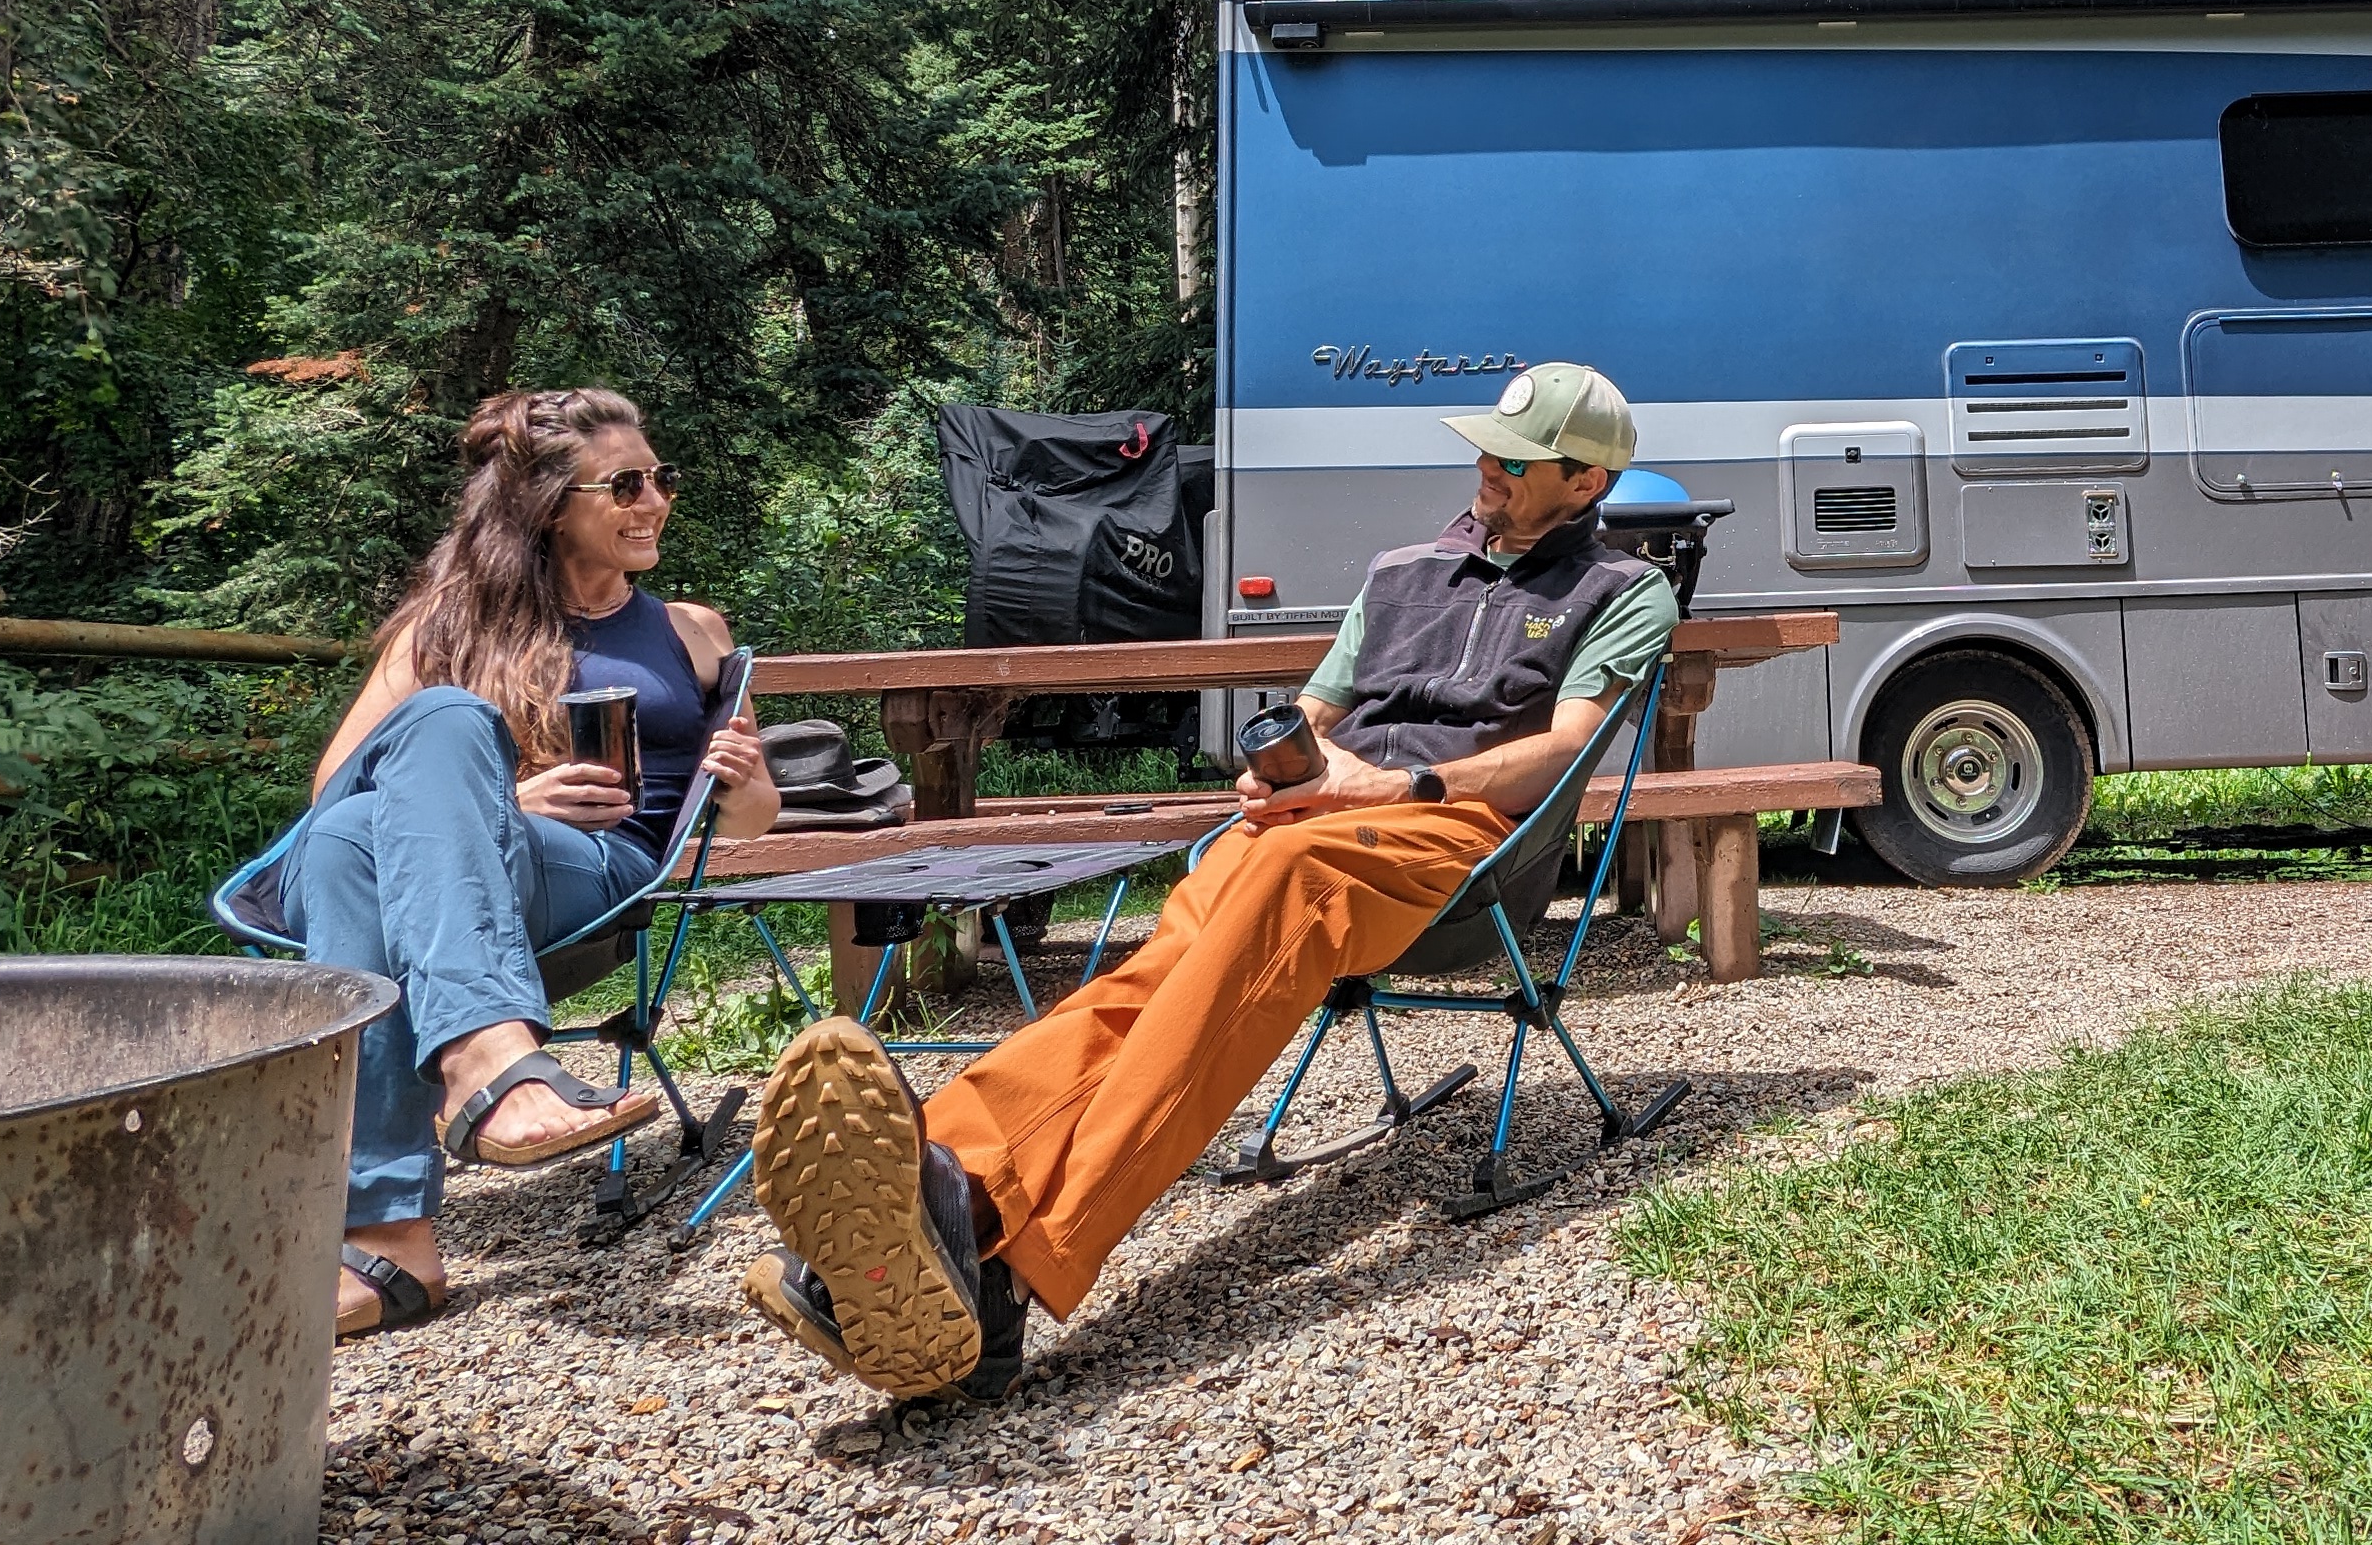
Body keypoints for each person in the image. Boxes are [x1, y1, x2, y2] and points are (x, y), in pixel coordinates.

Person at [736, 361, 1678, 1401]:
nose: (1485, 471)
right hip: (1314, 824)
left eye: (1514, 460)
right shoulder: (1405, 570)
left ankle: (1009, 1267)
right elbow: (1320, 713)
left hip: (1455, 841)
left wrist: (1397, 781)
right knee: (1154, 982)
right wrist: (1290, 771)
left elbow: (1563, 754)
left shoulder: (1624, 593)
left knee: (1255, 923)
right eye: (1483, 451)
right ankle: (947, 1181)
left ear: (1585, 484)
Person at [275, 386, 777, 1336]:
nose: (653, 500)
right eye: (624, 484)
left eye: (659, 478)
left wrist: (744, 778)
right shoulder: (448, 631)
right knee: (401, 773)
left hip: (596, 877)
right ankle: (478, 1077)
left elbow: (750, 823)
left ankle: (389, 1209)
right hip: (451, 886)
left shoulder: (690, 633)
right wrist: (498, 803)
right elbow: (330, 795)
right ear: (550, 508)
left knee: (365, 837)